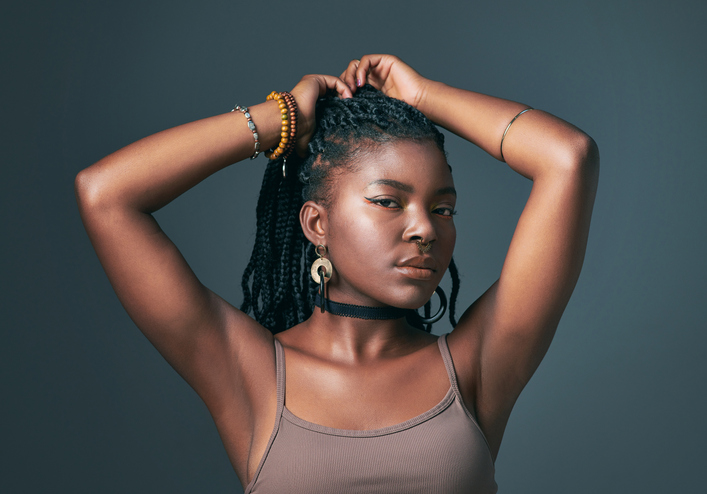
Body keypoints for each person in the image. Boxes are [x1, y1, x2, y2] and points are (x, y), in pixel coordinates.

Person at [75, 54, 599, 493]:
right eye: (388, 201)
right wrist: (281, 119)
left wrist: (422, 95)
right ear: (316, 222)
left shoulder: (476, 366)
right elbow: (106, 194)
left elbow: (567, 158)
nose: (425, 229)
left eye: (443, 209)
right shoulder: (250, 370)